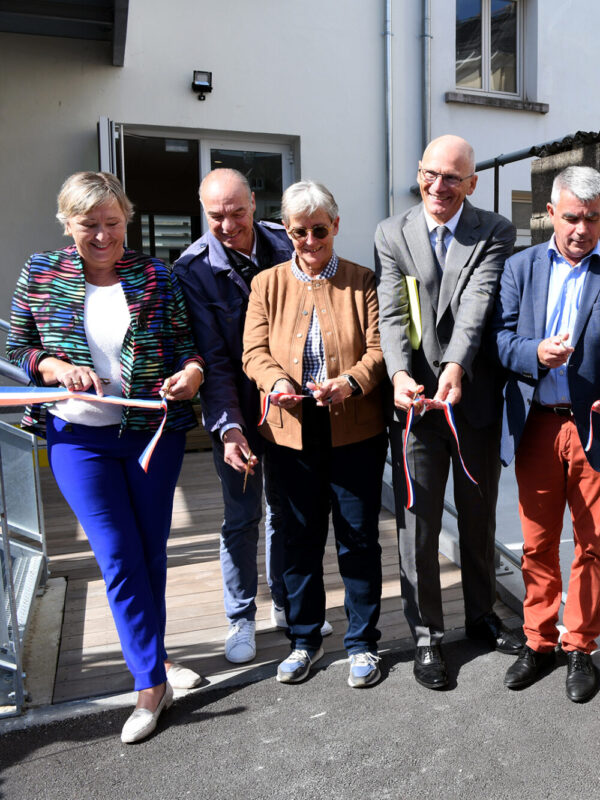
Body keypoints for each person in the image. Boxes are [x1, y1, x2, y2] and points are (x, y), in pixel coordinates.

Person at [8, 172, 205, 743]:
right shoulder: (40, 274)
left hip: (151, 434)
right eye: (89, 224)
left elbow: (187, 348)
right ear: (67, 225)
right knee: (118, 556)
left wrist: (190, 375)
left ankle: (157, 662)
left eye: (112, 223)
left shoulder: (156, 275)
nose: (102, 235)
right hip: (78, 439)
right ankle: (149, 687)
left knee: (149, 554)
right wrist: (54, 368)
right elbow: (18, 346)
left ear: (128, 219)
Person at [492, 165, 600, 703]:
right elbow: (501, 340)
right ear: (551, 215)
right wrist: (534, 353)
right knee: (537, 542)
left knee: (592, 543)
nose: (582, 229)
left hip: (594, 423)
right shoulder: (521, 267)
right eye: (572, 218)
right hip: (537, 422)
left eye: (593, 218)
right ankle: (539, 641)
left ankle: (580, 644)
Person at [375, 134, 522, 691]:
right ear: (419, 173)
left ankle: (482, 615)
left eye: (452, 178)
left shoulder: (495, 230)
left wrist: (456, 367)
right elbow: (391, 312)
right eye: (430, 175)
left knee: (479, 515)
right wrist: (398, 374)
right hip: (414, 403)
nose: (439, 187)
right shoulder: (392, 233)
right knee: (419, 522)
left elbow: (478, 304)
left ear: (472, 183)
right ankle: (427, 632)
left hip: (473, 398)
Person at [175, 168, 332, 666]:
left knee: (287, 512)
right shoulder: (192, 270)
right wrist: (229, 428)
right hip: (238, 409)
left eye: (237, 212)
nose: (227, 224)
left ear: (254, 204)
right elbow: (215, 359)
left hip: (287, 406)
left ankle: (285, 603)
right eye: (216, 216)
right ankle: (240, 616)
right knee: (242, 517)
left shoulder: (283, 241)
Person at [242, 180, 389, 689]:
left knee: (358, 539)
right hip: (289, 433)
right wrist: (278, 381)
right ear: (287, 231)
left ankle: (363, 643)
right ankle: (304, 639)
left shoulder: (362, 281)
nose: (310, 240)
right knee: (300, 539)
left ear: (336, 225)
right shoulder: (266, 284)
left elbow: (379, 350)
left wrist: (349, 383)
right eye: (299, 231)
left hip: (355, 432)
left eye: (319, 229)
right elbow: (253, 352)